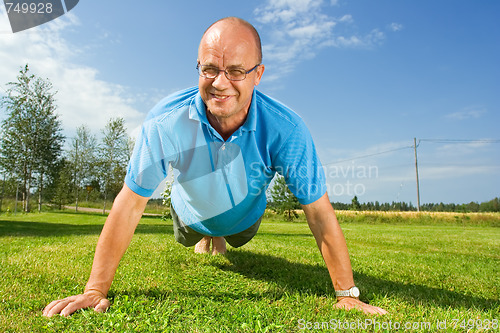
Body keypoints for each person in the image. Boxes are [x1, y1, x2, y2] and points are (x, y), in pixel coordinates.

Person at [43, 17, 387, 317]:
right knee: (193, 233)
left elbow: (319, 212)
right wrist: (95, 289)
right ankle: (206, 234)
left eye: (236, 71)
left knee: (231, 235)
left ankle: (219, 234)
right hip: (188, 215)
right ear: (198, 67)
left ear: (258, 75)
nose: (220, 82)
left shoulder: (287, 128)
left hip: (243, 221)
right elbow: (130, 202)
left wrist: (346, 294)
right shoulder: (165, 121)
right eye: (209, 69)